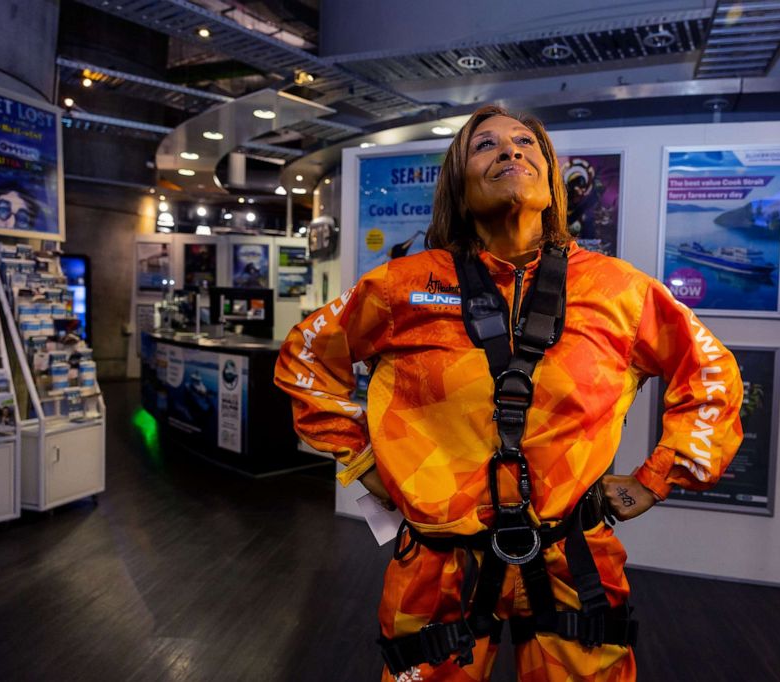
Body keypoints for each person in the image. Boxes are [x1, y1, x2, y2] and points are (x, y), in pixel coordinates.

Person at [275, 105, 743, 681]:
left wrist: (658, 477)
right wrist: (361, 457)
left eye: (526, 143)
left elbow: (711, 373)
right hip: (437, 562)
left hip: (574, 559)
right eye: (485, 145)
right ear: (458, 183)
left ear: (550, 179)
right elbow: (305, 356)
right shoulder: (401, 287)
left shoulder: (619, 290)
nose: (510, 151)